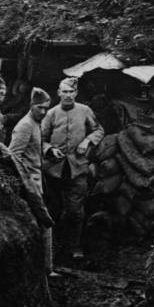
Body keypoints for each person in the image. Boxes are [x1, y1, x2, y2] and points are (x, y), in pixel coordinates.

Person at [41, 77, 105, 260]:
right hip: (53, 170)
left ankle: (75, 246)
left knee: (76, 211)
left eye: (71, 92)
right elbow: (40, 138)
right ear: (58, 93)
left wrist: (87, 140)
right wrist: (50, 149)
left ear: (76, 93)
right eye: (64, 91)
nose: (68, 95)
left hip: (77, 168)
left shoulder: (85, 111)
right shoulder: (51, 114)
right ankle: (51, 247)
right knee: (52, 208)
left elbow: (99, 130)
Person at [9, 86, 55, 275]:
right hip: (29, 184)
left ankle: (45, 268)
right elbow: (13, 155)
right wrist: (25, 184)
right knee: (44, 224)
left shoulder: (37, 123)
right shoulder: (25, 125)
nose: (43, 112)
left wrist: (49, 151)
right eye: (40, 108)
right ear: (31, 106)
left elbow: (36, 147)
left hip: (37, 179)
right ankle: (45, 269)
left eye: (46, 108)